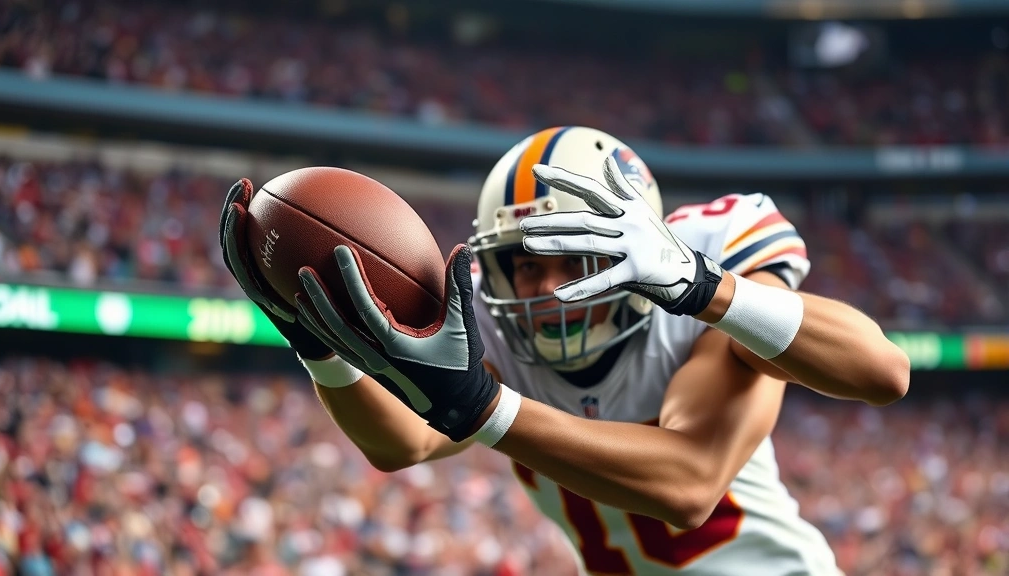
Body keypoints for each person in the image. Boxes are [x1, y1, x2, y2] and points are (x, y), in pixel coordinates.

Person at [219, 126, 910, 575]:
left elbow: (694, 482)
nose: (546, 289)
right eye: (524, 264)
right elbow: (402, 443)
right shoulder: (493, 331)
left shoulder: (706, 267)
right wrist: (315, 341)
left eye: (573, 260)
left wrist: (702, 288)